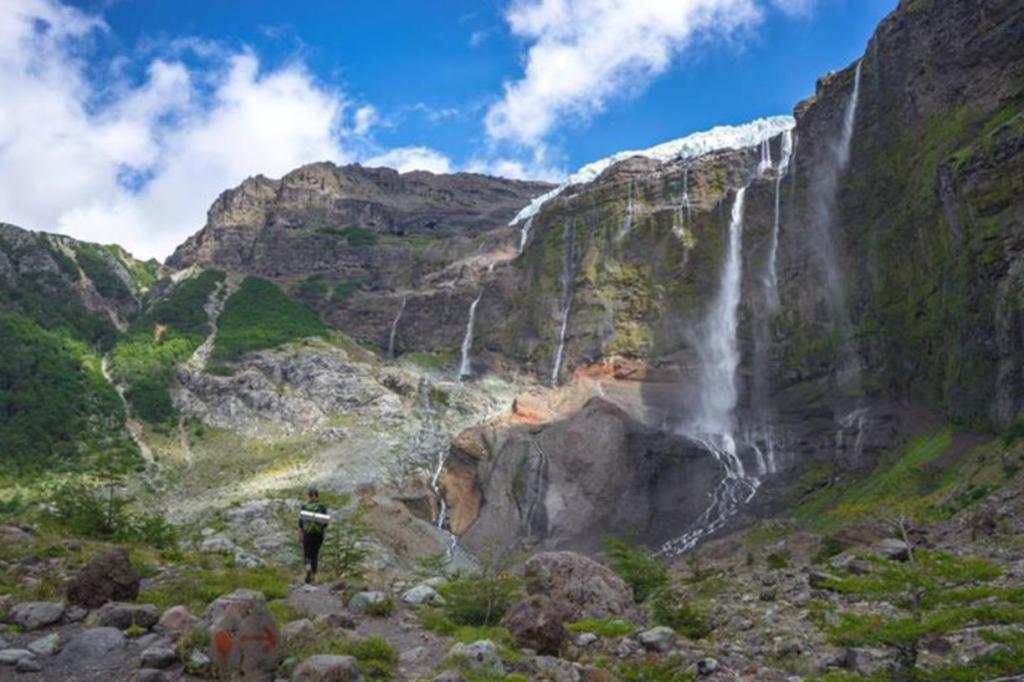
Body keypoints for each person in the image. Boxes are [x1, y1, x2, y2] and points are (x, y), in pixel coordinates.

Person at [299, 487, 328, 584]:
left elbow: (300, 523)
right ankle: (314, 576)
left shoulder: (304, 507)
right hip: (318, 535)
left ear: (308, 496)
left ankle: (308, 570)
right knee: (315, 555)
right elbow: (325, 523)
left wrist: (301, 532)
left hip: (307, 534)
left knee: (307, 554)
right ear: (317, 496)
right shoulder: (322, 507)